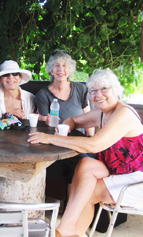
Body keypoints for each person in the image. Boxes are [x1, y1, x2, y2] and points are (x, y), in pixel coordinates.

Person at [28, 69, 143, 237]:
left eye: (104, 89)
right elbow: (73, 120)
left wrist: (50, 138)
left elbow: (93, 145)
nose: (98, 95)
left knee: (86, 194)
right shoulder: (103, 113)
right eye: (93, 91)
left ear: (116, 90)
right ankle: (69, 231)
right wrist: (65, 128)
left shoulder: (123, 113)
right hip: (123, 171)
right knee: (86, 165)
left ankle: (63, 231)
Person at [35, 50, 95, 195]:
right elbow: (44, 122)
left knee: (85, 162)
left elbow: (88, 117)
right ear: (51, 70)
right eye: (56, 66)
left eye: (65, 66)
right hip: (56, 143)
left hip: (79, 143)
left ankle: (72, 202)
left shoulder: (80, 89)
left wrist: (90, 141)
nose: (61, 70)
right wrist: (45, 119)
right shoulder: (43, 94)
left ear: (70, 70)